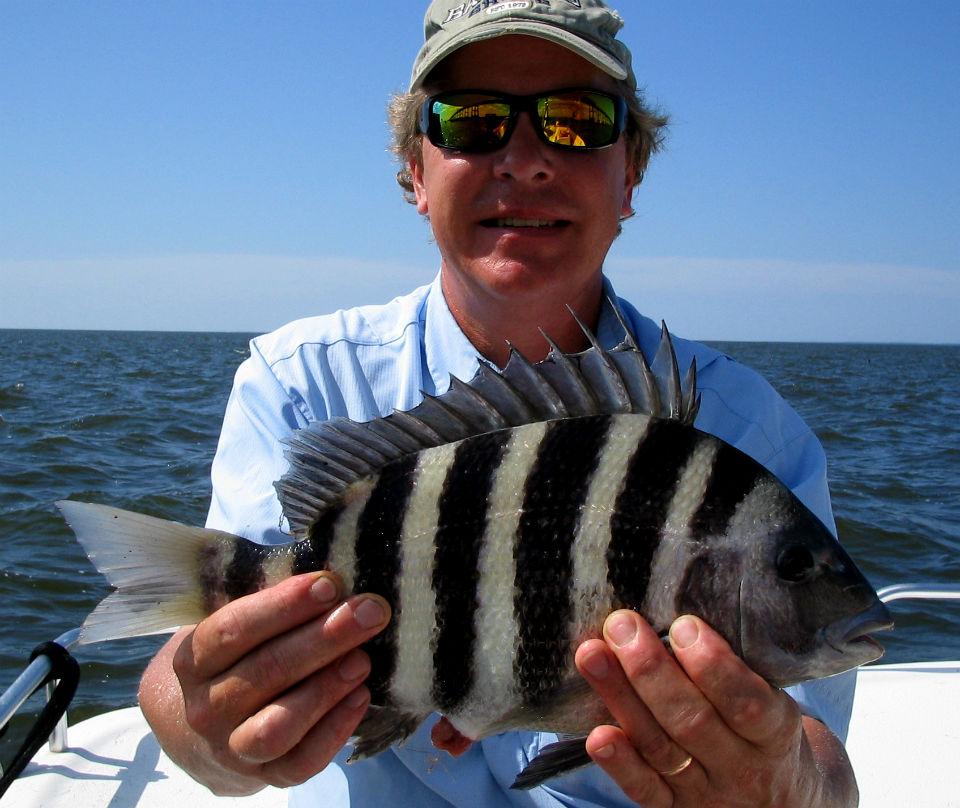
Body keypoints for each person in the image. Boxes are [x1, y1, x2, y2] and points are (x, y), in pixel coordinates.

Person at [138, 1, 860, 805]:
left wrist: (788, 783)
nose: (524, 159)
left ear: (631, 175)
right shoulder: (302, 383)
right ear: (415, 170)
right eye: (474, 121)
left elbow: (821, 761)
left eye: (576, 120)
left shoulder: (746, 430)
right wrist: (205, 727)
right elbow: (186, 672)